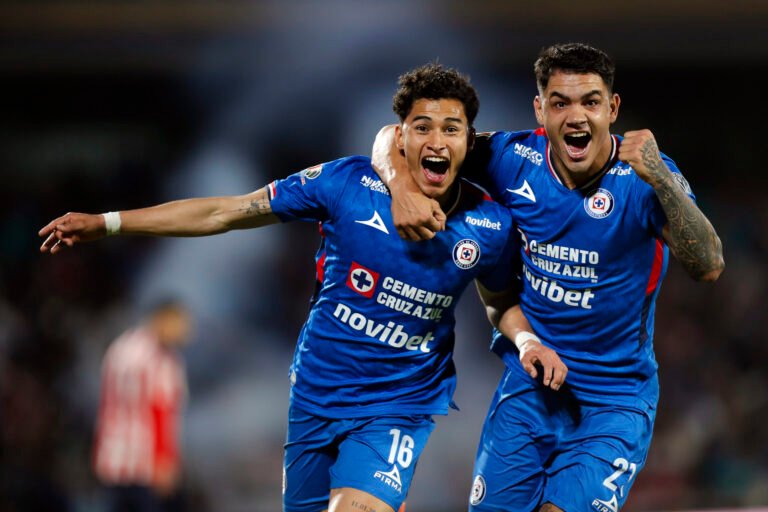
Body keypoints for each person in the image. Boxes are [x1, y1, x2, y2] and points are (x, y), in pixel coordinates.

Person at [39, 63, 567, 512]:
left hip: (399, 405)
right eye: (422, 126)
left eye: (451, 129)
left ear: (468, 142)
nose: (436, 140)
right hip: (317, 392)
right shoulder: (344, 185)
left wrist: (526, 341)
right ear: (400, 135)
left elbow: (500, 301)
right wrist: (109, 222)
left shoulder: (490, 225)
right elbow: (225, 212)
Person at [372, 43, 724, 512]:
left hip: (612, 401)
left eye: (590, 102)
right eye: (560, 103)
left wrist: (660, 176)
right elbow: (393, 138)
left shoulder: (644, 177)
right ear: (540, 110)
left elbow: (709, 264)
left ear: (612, 108)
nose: (576, 116)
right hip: (529, 389)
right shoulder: (512, 157)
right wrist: (399, 186)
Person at [93, 299, 192, 512]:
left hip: (113, 456)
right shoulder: (161, 357)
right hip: (145, 463)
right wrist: (163, 459)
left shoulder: (120, 348)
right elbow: (160, 409)